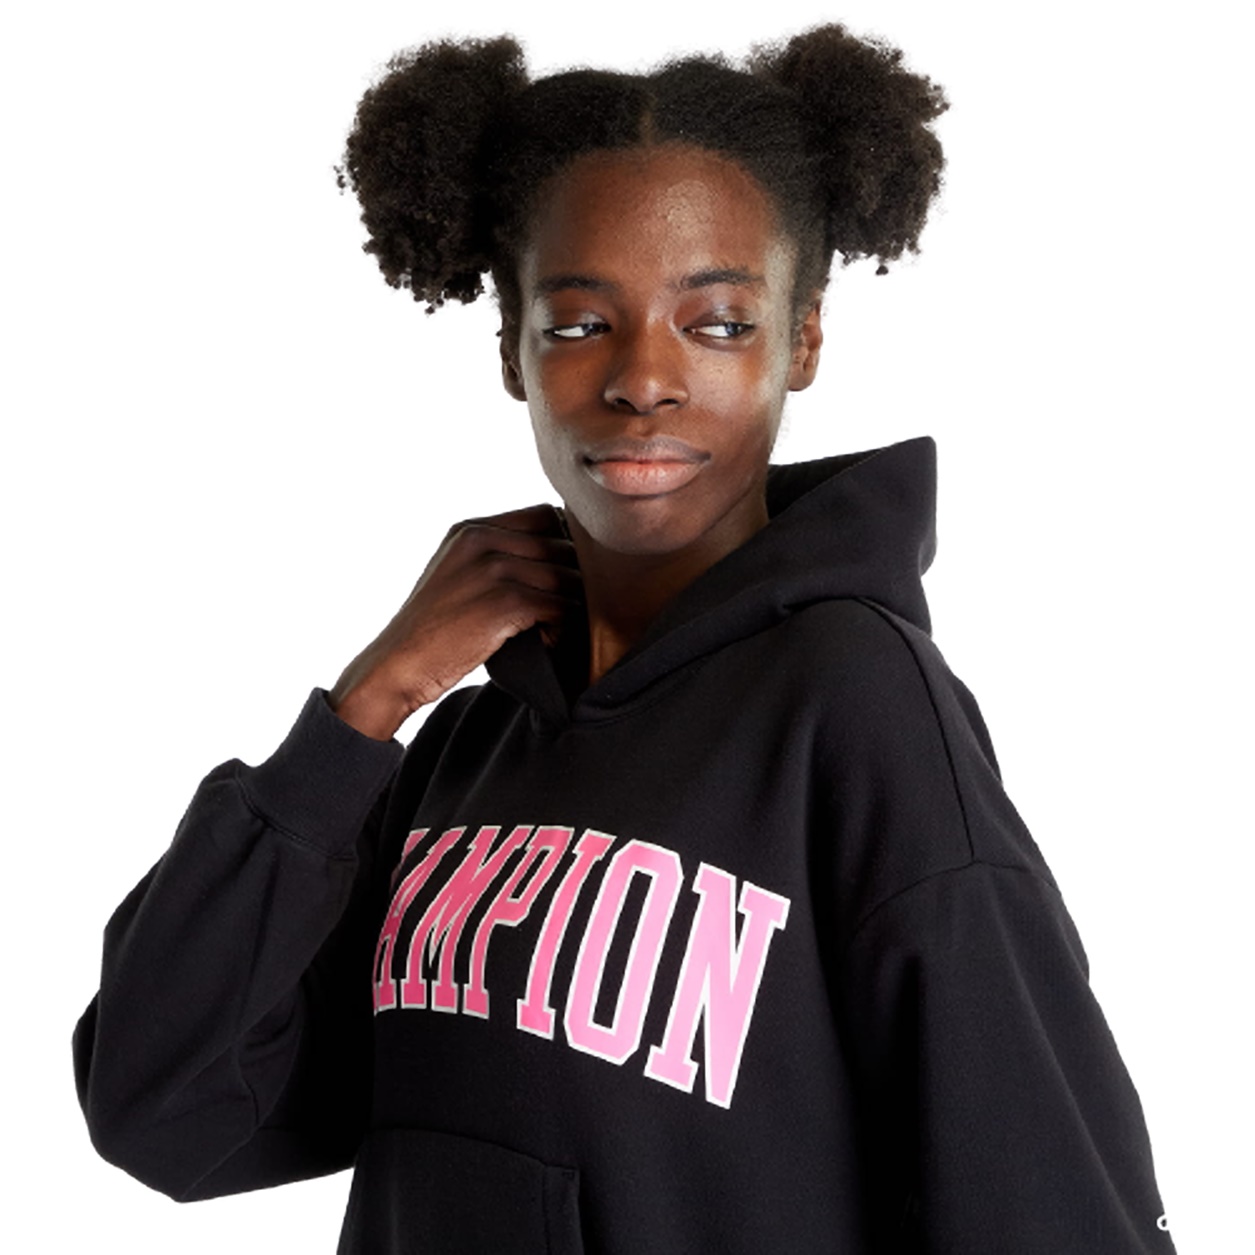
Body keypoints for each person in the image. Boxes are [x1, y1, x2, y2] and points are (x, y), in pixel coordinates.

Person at [72, 24, 1175, 1254]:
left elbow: (1045, 1203)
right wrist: (364, 711)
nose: (643, 378)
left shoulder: (853, 703)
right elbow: (164, 1113)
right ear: (512, 349)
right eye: (577, 323)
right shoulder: (460, 753)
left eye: (718, 323)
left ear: (802, 340)